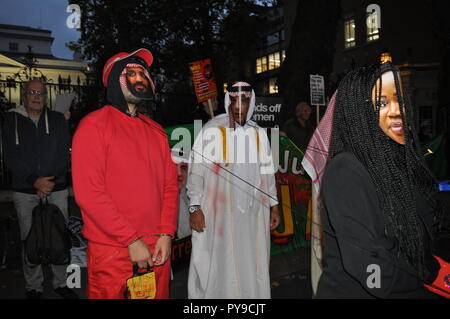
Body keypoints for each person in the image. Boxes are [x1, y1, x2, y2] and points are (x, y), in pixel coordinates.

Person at [316, 62, 450, 298]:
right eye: (381, 103)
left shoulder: (398, 159)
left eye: (399, 100)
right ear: (360, 111)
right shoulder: (345, 170)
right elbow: (371, 271)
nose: (398, 111)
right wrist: (424, 278)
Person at [71, 48, 178, 299]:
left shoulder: (156, 131)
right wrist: (131, 240)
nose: (141, 77)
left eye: (144, 72)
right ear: (116, 79)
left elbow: (169, 186)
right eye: (132, 72)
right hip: (113, 249)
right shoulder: (93, 126)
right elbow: (89, 194)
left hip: (156, 247)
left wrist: (166, 234)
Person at [187, 81, 280, 299]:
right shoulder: (212, 130)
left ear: (252, 101)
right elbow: (196, 172)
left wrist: (274, 206)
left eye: (245, 100)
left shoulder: (258, 133)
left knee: (252, 262)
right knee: (217, 264)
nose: (240, 105)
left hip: (252, 215)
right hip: (217, 215)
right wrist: (194, 207)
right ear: (229, 100)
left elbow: (267, 173)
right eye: (235, 99)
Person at [2, 78, 77, 299]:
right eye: (32, 92)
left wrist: (48, 181)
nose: (36, 96)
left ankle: (60, 283)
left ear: (46, 97)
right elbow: (9, 157)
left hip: (57, 188)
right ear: (24, 95)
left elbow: (65, 154)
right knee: (30, 239)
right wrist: (35, 181)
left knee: (59, 237)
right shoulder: (11, 120)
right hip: (25, 191)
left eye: (41, 93)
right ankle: (33, 286)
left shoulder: (57, 120)